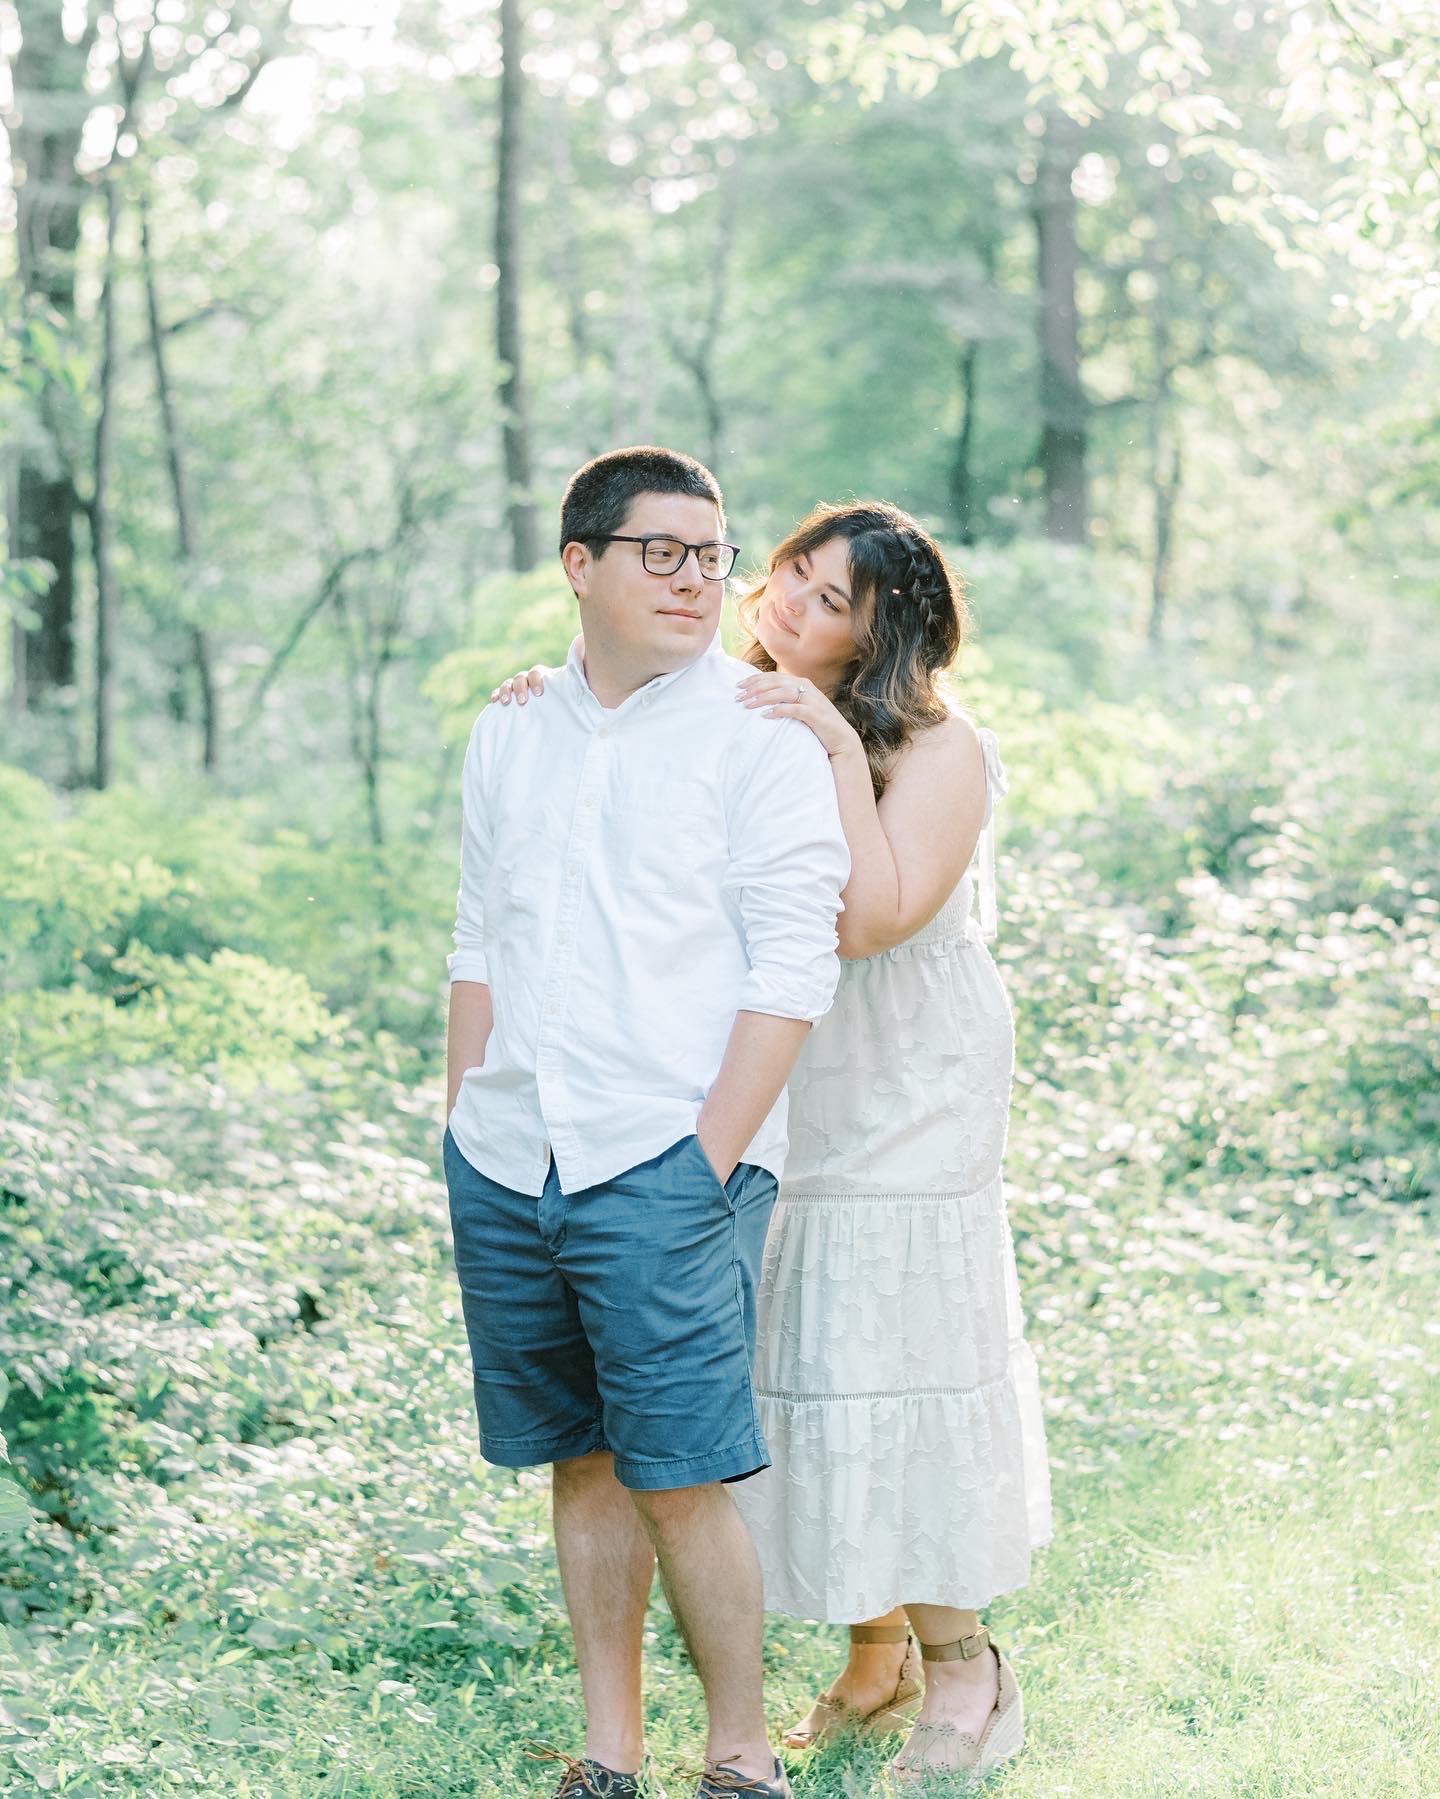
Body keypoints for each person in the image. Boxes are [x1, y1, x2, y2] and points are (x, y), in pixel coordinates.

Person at [492, 500, 1050, 1785]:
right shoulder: (730, 698)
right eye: (796, 567)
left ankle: (967, 1666)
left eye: (833, 597)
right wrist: (547, 702)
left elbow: (875, 917)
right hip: (769, 1057)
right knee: (803, 1339)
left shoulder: (938, 743)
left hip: (904, 1073)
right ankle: (875, 1650)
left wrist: (837, 748)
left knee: (890, 1339)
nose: (792, 597)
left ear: (880, 635)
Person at [443, 446, 850, 1799]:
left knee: (682, 1470)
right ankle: (609, 1752)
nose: (694, 580)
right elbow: (478, 937)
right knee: (583, 1458)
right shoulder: (512, 726)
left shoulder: (761, 731)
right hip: (513, 1155)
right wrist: (465, 1119)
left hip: (667, 1154)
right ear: (581, 562)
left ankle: (741, 1754)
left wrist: (703, 1160)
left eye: (711, 556)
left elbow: (793, 968)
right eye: (659, 552)